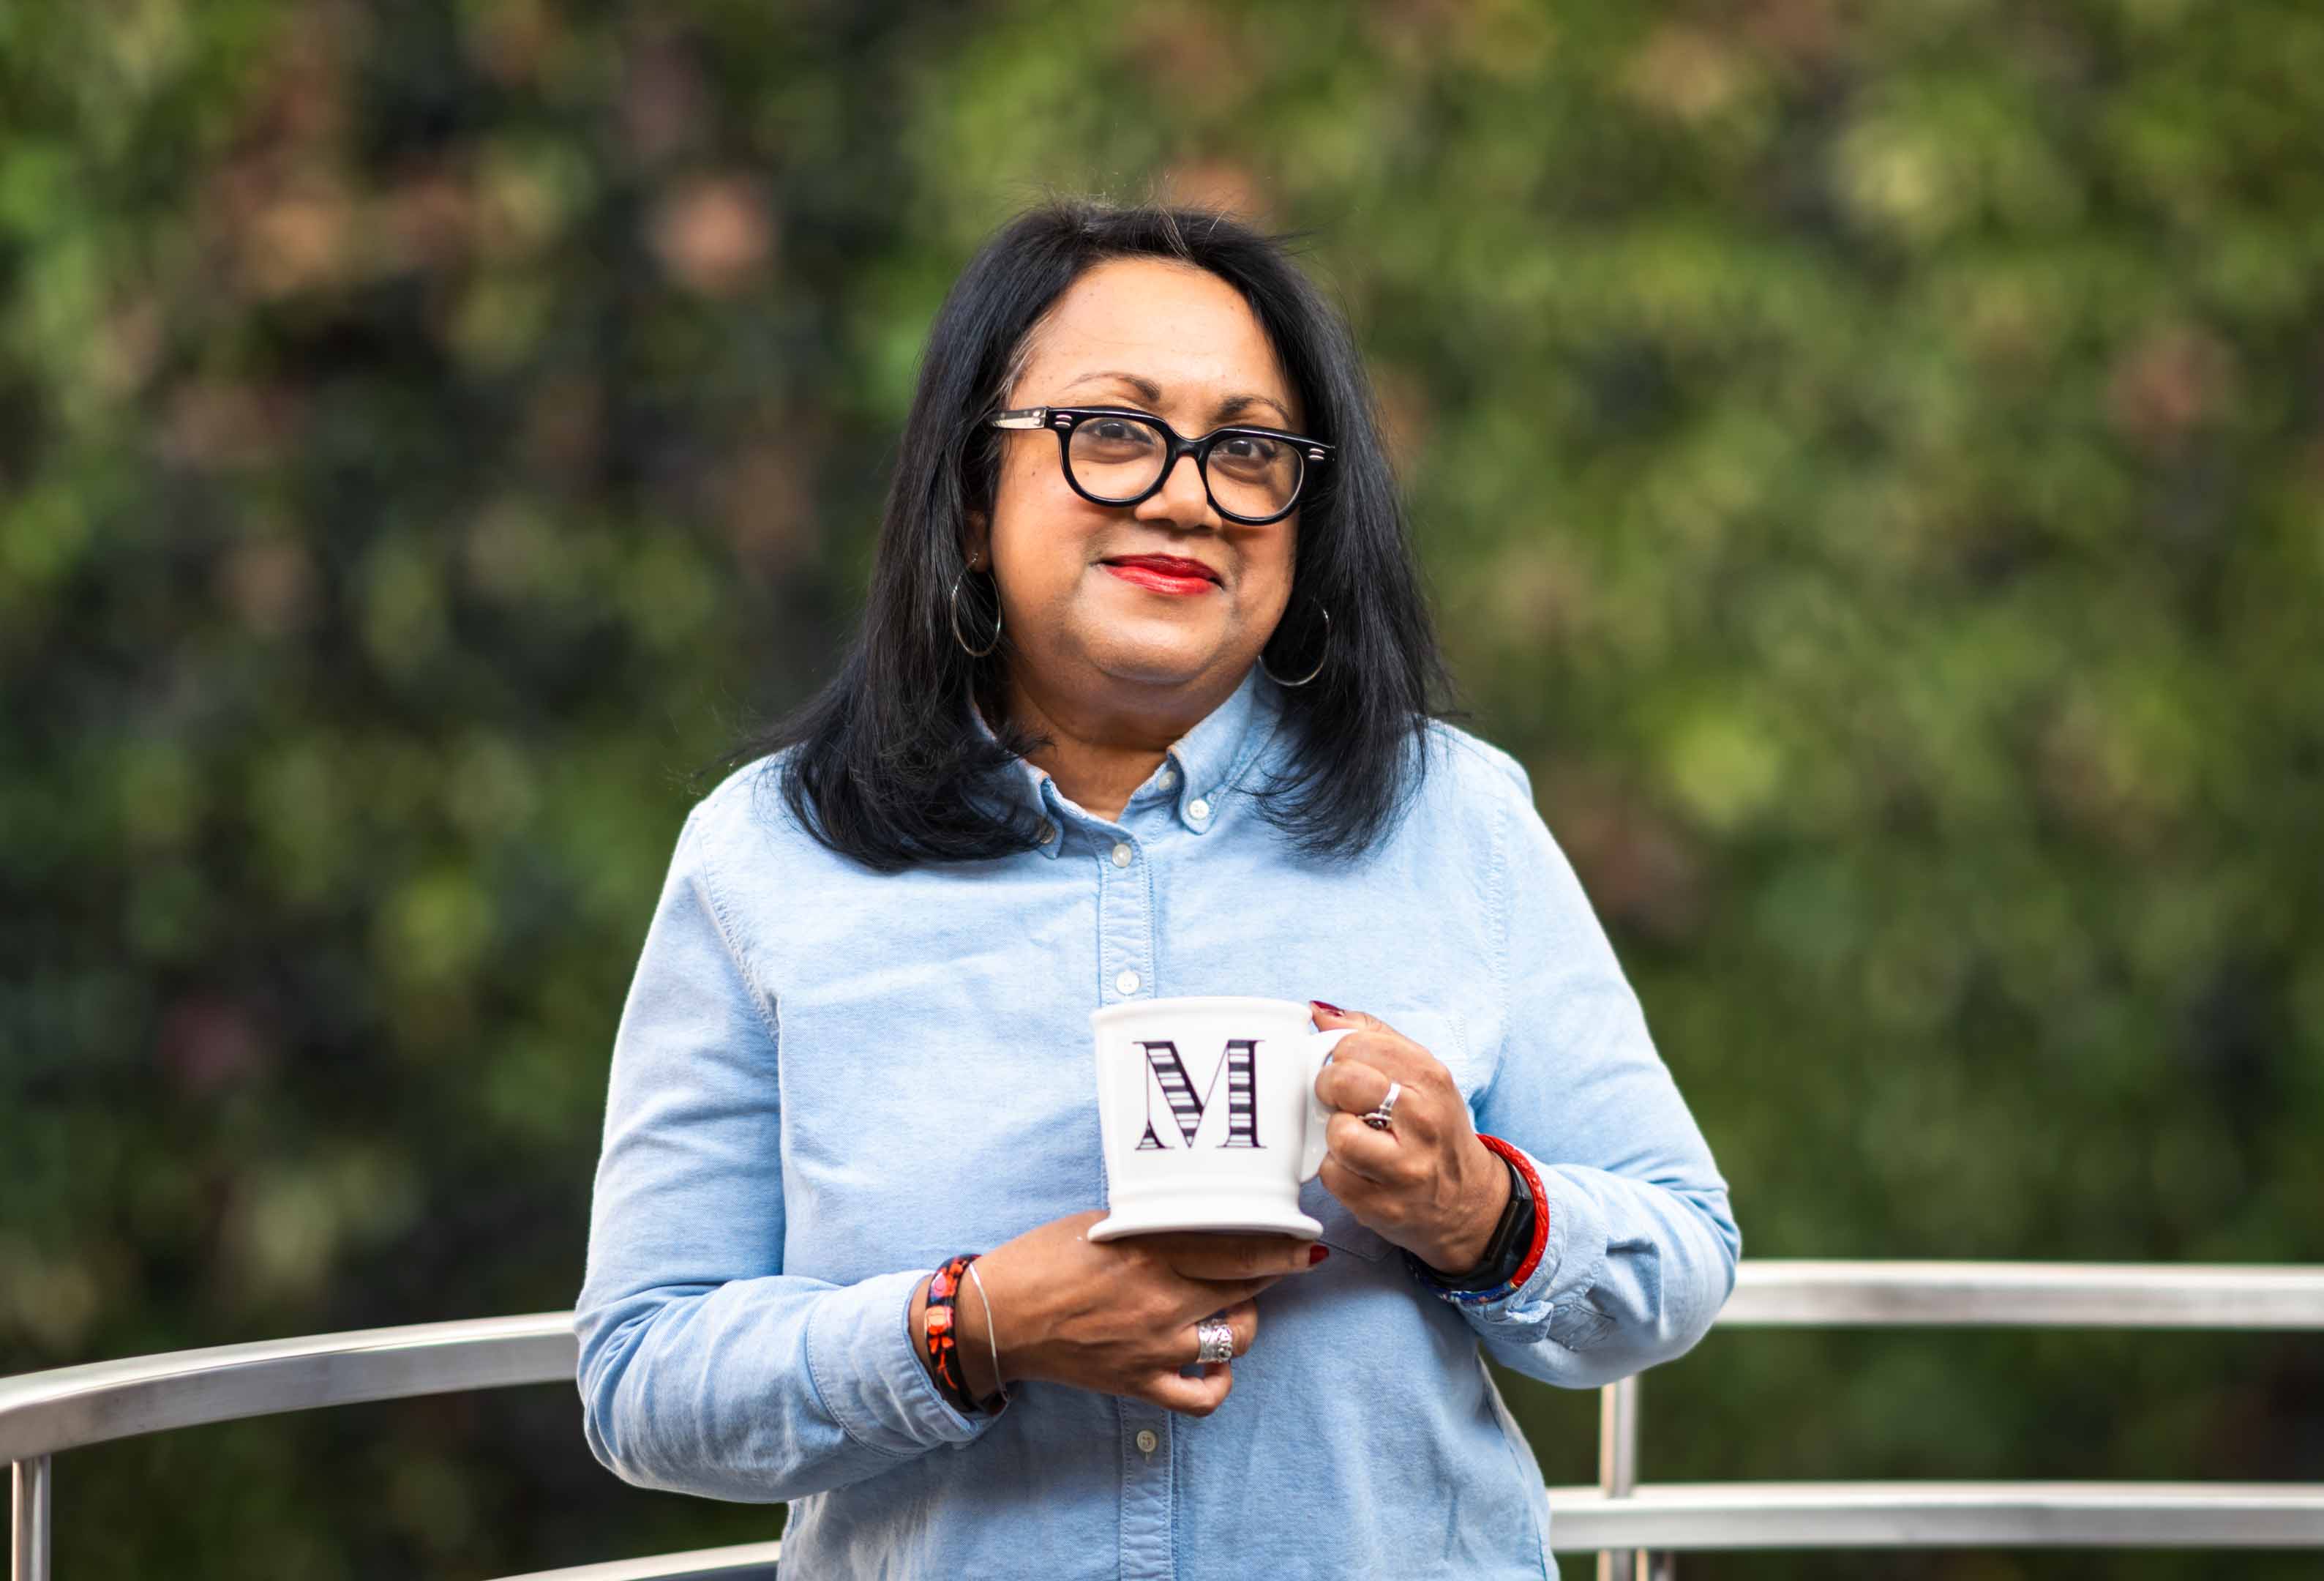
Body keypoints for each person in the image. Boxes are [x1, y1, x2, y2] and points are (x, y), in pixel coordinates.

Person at [571, 196, 1740, 1580]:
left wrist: (1478, 1209)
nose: (1188, 491)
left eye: (1249, 448)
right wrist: (972, 1326)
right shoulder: (769, 855)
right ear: (967, 495)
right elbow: (643, 1380)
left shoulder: (1452, 820)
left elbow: (1678, 1249)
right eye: (1113, 431)